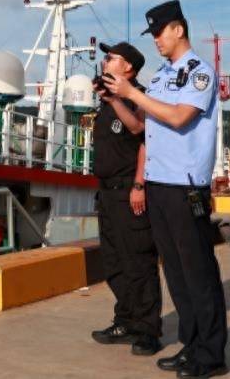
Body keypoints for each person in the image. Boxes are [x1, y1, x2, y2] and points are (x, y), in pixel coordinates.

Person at [105, 0, 227, 378]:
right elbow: (143, 124)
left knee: (198, 273)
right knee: (175, 272)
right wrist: (117, 97)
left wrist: (133, 91)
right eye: (152, 33)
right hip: (158, 184)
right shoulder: (160, 75)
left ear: (178, 29)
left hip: (184, 186)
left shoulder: (199, 73)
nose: (156, 39)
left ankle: (210, 355)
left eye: (159, 31)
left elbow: (178, 116)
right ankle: (191, 347)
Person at [89, 41, 162, 356]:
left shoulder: (139, 96)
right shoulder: (108, 101)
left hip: (127, 191)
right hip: (105, 193)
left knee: (139, 262)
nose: (105, 61)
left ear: (128, 68)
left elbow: (140, 131)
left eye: (112, 57)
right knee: (113, 262)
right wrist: (108, 98)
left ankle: (148, 330)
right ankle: (126, 321)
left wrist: (139, 185)